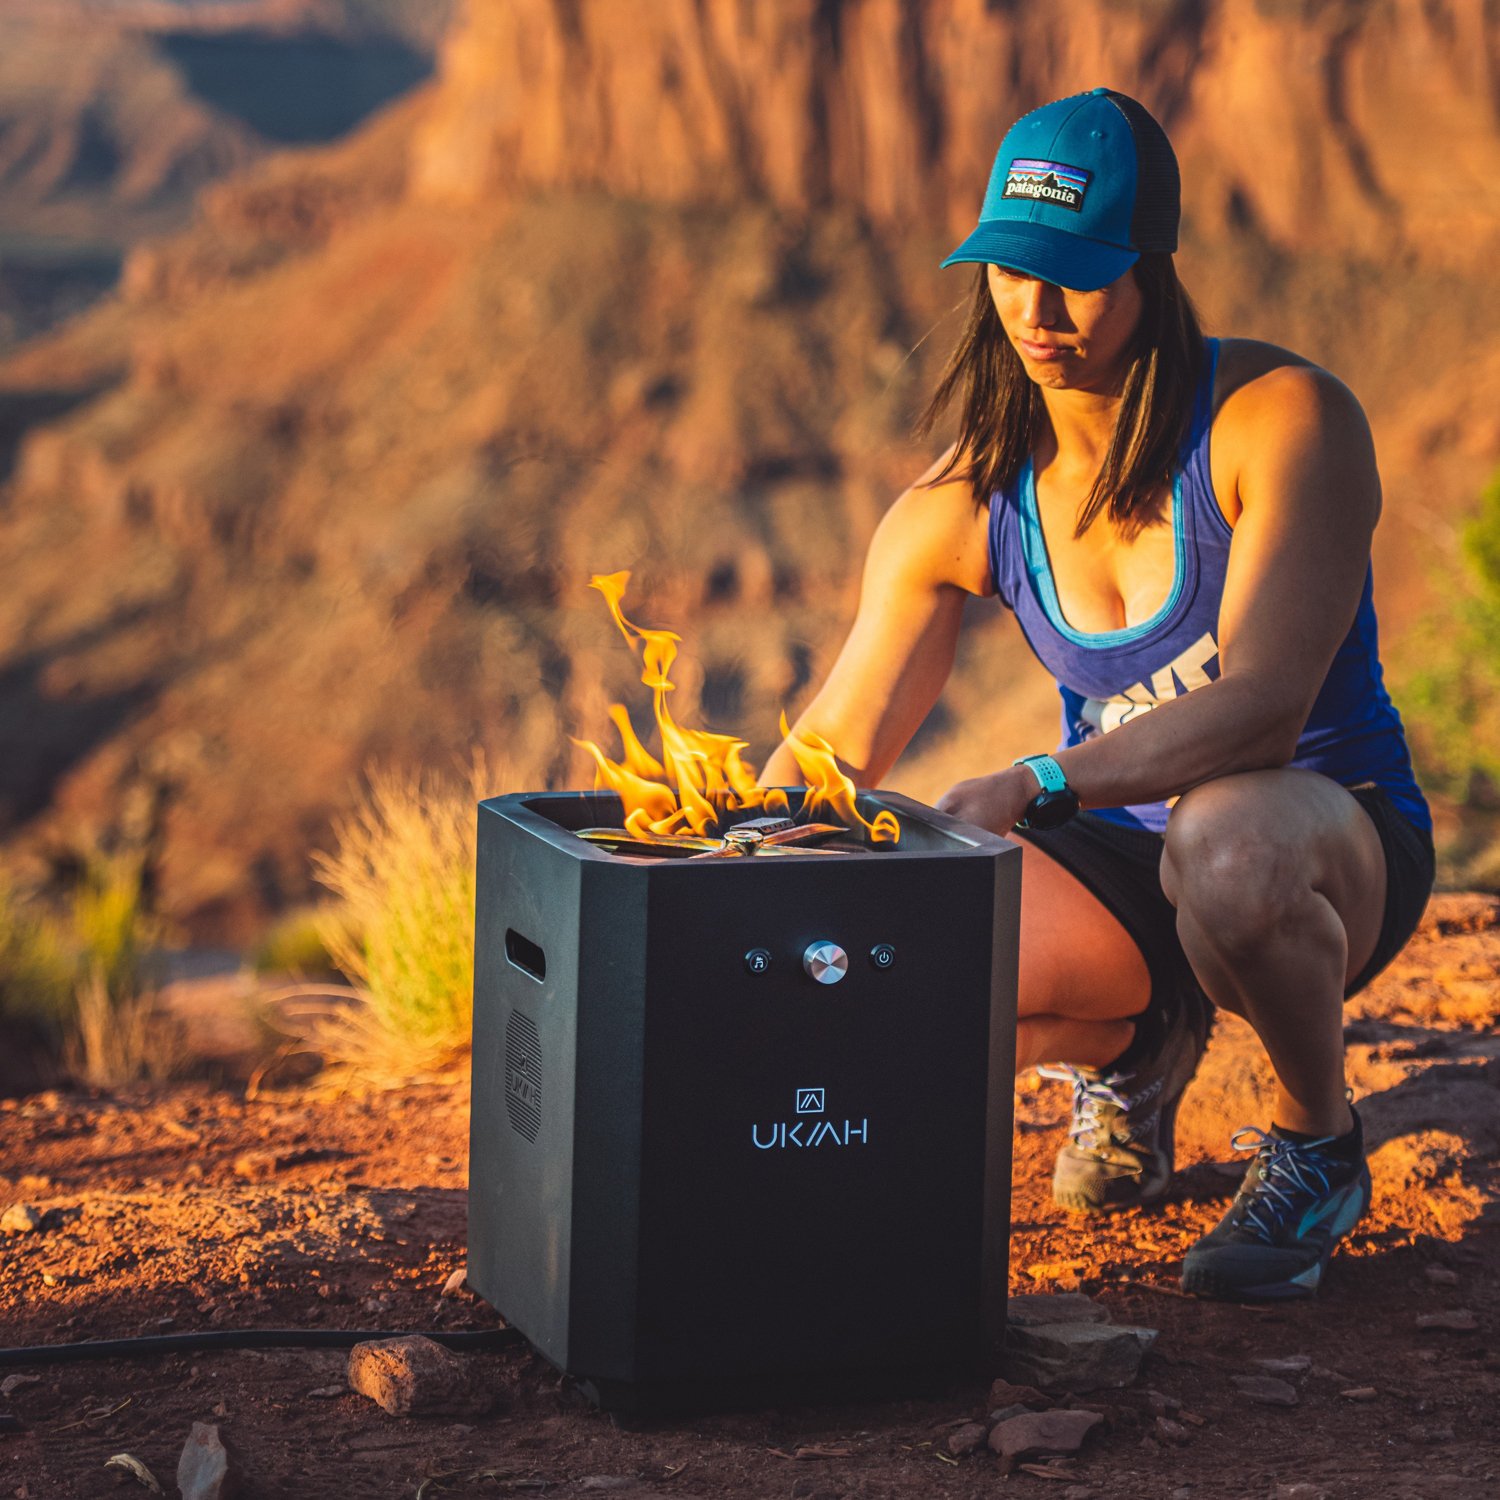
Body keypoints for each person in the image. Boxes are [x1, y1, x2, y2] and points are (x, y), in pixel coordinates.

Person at [759, 88, 1435, 1301]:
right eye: (1010, 268)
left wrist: (1033, 781)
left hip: (1319, 835)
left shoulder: (1280, 421)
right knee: (915, 970)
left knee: (1224, 842)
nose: (1036, 307)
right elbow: (837, 741)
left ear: (1148, 267)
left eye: (1075, 272)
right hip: (1120, 857)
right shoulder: (962, 507)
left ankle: (1315, 1142)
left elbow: (1265, 708)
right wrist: (717, 862)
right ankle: (1144, 1049)